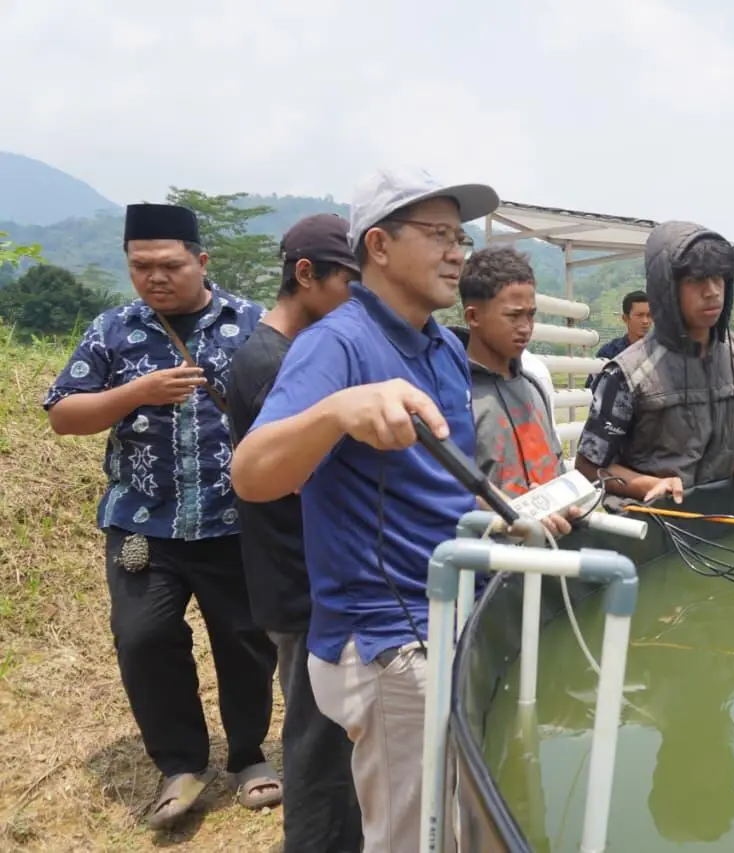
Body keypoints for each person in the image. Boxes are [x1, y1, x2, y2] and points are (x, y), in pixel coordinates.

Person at [228, 167, 576, 852]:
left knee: (464, 819)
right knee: (412, 836)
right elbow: (252, 473)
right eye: (438, 234)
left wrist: (508, 516)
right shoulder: (339, 342)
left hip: (455, 612)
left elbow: (445, 486)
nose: (456, 252)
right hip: (389, 638)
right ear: (379, 246)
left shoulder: (442, 346)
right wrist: (337, 410)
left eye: (460, 237)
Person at [42, 203, 280, 830]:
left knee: (246, 641)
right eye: (140, 266)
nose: (154, 277)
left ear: (201, 261)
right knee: (143, 640)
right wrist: (136, 393)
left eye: (169, 265)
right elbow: (63, 414)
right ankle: (181, 763)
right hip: (143, 527)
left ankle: (249, 756)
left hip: (235, 522)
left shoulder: (252, 323)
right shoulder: (114, 329)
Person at [224, 213, 363, 853]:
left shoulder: (290, 353)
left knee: (332, 734)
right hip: (298, 578)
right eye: (349, 283)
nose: (357, 300)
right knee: (317, 741)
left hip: (308, 573)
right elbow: (297, 477)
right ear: (305, 274)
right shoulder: (269, 362)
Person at [574, 221, 734, 507]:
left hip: (719, 519)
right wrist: (647, 485)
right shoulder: (629, 372)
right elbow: (588, 467)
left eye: (718, 278)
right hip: (652, 523)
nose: (712, 291)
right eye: (696, 280)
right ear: (667, 288)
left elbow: (700, 453)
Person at [451, 245, 564, 493]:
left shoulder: (534, 385)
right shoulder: (456, 396)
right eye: (513, 316)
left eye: (531, 315)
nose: (525, 328)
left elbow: (556, 464)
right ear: (473, 317)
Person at [586, 290, 651, 390]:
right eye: (639, 315)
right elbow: (593, 389)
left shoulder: (660, 351)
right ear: (625, 318)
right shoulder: (609, 352)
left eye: (649, 315)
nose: (645, 321)